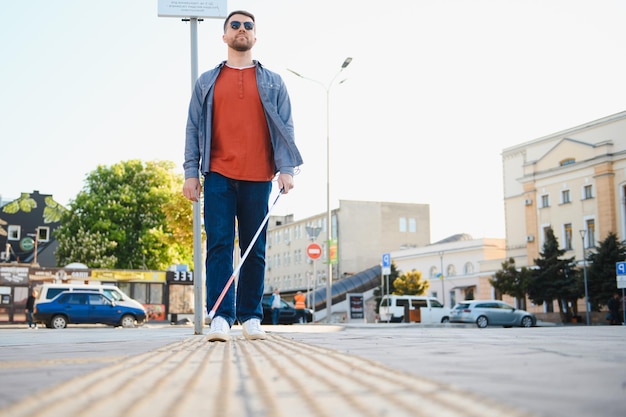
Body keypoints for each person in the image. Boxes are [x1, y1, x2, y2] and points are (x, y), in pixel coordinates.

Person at [182, 10, 303, 342]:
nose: (241, 29)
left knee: (255, 248)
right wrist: (190, 173)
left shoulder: (273, 81)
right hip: (218, 174)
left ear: (255, 36)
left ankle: (251, 316)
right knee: (219, 244)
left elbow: (285, 127)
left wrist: (286, 168)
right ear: (224, 36)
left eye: (248, 26)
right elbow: (193, 128)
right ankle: (221, 316)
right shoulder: (207, 81)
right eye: (234, 25)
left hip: (259, 175)